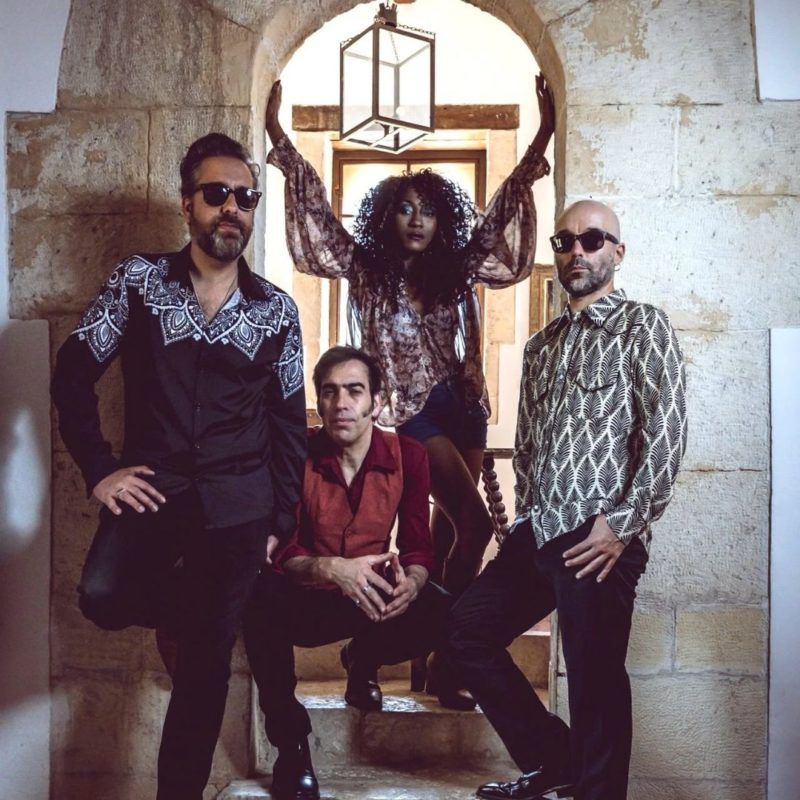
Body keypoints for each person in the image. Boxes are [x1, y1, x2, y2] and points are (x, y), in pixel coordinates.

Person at [265, 75, 555, 702]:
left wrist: (541, 140)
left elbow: (502, 217)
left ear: (440, 217)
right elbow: (319, 226)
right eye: (405, 208)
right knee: (475, 527)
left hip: (464, 407)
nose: (417, 219)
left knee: (449, 537)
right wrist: (280, 140)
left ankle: (432, 663)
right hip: (414, 411)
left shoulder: (457, 268)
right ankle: (450, 657)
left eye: (427, 209)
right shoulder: (367, 269)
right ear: (387, 215)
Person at [50, 132, 307, 800]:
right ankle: (208, 609)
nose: (232, 208)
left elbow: (288, 425)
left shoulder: (277, 312)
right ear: (187, 202)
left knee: (205, 667)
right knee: (101, 595)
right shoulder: (138, 281)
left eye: (245, 197)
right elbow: (72, 373)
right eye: (217, 194)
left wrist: (279, 521)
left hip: (238, 506)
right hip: (154, 492)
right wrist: (100, 469)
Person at [445, 200, 688, 800]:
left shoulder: (643, 327)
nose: (577, 250)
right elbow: (528, 445)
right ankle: (555, 761)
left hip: (600, 536)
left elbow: (666, 434)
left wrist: (621, 525)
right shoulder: (541, 346)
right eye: (565, 241)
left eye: (593, 239)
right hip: (539, 532)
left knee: (593, 678)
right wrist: (523, 520)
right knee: (464, 633)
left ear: (617, 252)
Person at [243, 345, 451, 800]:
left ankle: (363, 658)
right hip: (303, 595)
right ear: (318, 402)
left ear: (377, 401)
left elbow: (418, 545)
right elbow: (281, 549)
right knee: (256, 600)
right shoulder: (296, 451)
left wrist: (412, 582)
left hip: (369, 597)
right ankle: (292, 747)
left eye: (354, 391)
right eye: (330, 392)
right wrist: (331, 569)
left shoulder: (409, 455)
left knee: (442, 610)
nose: (341, 403)